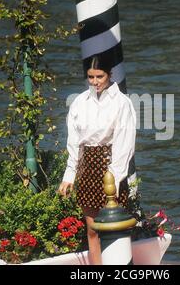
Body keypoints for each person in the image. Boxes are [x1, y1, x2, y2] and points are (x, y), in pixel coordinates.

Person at [58, 54, 136, 265]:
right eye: (90, 77)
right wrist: (69, 175)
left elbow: (124, 143)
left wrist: (115, 179)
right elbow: (74, 142)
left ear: (109, 74)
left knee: (115, 229)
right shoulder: (79, 102)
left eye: (99, 76)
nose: (95, 82)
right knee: (92, 231)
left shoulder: (122, 103)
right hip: (86, 168)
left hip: (110, 169)